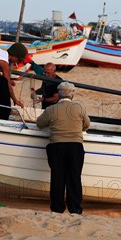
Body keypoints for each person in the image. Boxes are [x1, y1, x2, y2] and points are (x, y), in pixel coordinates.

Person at [36, 82, 90, 214]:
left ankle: (57, 208)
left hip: (56, 146)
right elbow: (87, 125)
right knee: (74, 177)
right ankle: (75, 208)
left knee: (57, 178)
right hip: (75, 146)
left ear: (58, 95)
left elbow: (39, 124)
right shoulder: (79, 107)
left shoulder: (51, 109)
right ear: (72, 94)